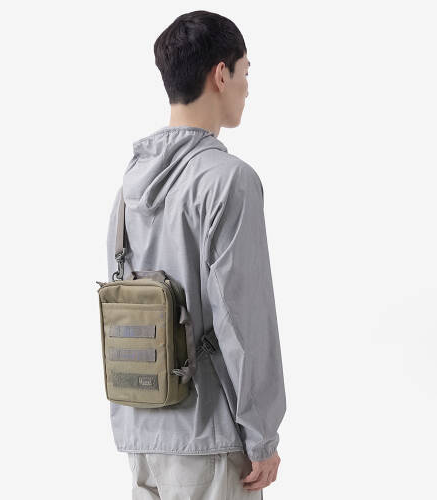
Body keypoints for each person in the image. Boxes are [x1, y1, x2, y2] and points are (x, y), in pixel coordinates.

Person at [106, 10, 287, 500]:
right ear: (220, 73)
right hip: (211, 438)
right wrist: (262, 435)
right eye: (245, 71)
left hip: (142, 433)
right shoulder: (229, 181)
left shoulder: (128, 188)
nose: (247, 87)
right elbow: (242, 318)